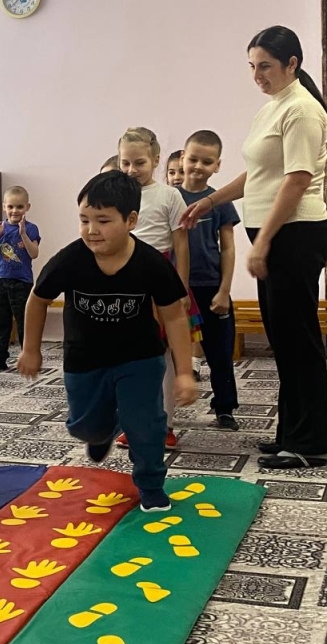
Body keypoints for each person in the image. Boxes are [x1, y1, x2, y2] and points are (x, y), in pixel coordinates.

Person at [181, 25, 327, 469]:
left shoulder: (302, 111)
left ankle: (308, 444)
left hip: (296, 235)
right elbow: (259, 175)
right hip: (278, 234)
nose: (257, 74)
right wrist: (209, 200)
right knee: (284, 339)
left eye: (265, 65)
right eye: (252, 66)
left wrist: (263, 240)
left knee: (298, 339)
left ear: (292, 64)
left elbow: (297, 180)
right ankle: (292, 432)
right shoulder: (274, 107)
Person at [17, 171, 197, 512]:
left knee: (145, 424)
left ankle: (151, 485)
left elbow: (174, 316)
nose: (91, 230)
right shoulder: (70, 260)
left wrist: (184, 372)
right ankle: (102, 432)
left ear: (131, 220)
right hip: (85, 359)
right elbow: (37, 300)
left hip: (140, 358)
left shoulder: (150, 263)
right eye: (84, 220)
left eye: (103, 220)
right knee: (84, 426)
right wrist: (30, 348)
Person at [117, 127, 198, 450]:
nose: (131, 170)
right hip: (122, 282)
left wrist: (180, 289)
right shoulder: (116, 194)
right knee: (126, 358)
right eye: (125, 163)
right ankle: (133, 424)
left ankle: (164, 424)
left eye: (139, 163)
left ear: (155, 160)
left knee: (162, 357)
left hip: (159, 280)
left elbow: (182, 245)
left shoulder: (169, 196)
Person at [178, 131, 241, 429]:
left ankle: (224, 407)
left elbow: (228, 247)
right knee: (166, 356)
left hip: (211, 288)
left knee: (220, 353)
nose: (198, 166)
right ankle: (162, 410)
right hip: (176, 291)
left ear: (217, 165)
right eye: (193, 159)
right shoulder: (169, 199)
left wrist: (224, 291)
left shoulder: (221, 202)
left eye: (207, 161)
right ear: (182, 159)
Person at [0, 186, 41, 371]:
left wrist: (23, 233)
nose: (14, 211)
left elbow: (34, 254)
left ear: (27, 207)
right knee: (1, 321)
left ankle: (28, 357)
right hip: (1, 281)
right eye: (10, 207)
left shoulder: (31, 229)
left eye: (19, 207)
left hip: (22, 283)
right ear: (4, 207)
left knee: (24, 321)